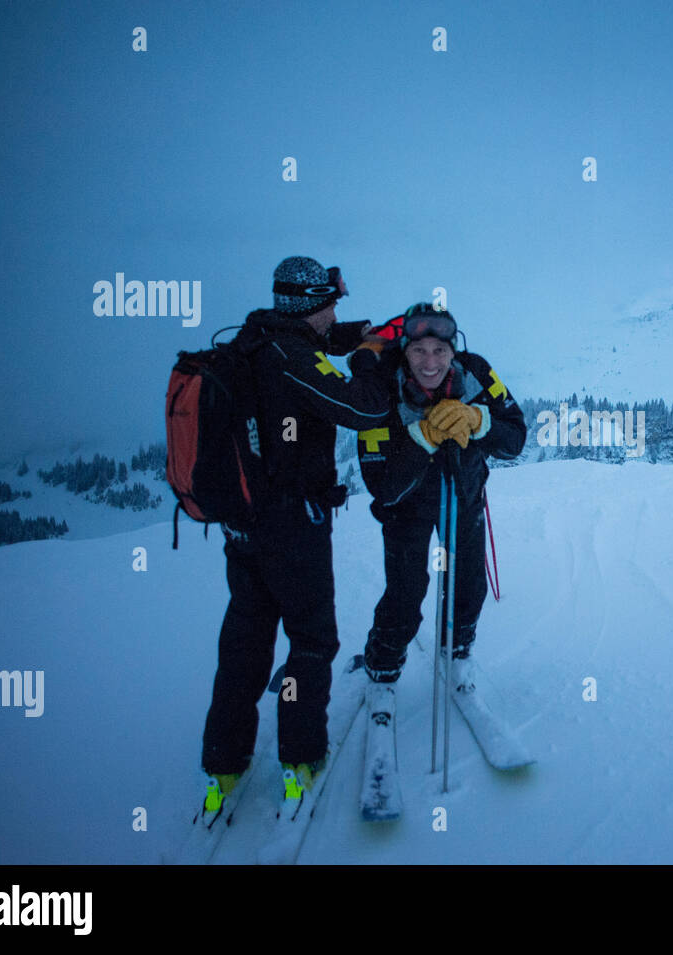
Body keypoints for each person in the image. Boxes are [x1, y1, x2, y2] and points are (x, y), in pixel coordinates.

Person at [200, 256, 389, 806]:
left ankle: (224, 762)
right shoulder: (294, 359)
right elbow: (363, 409)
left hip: (243, 526)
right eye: (333, 303)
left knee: (245, 641)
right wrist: (370, 360)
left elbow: (313, 348)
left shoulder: (255, 338)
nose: (337, 311)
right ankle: (301, 757)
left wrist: (359, 336)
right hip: (290, 526)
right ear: (312, 303)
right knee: (311, 640)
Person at [356, 303, 525, 685]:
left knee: (469, 587)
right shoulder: (381, 387)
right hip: (405, 510)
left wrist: (480, 421)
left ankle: (458, 651)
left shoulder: (477, 373)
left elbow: (515, 438)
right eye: (419, 350)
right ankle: (382, 667)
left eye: (439, 351)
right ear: (404, 350)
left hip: (464, 499)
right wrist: (423, 439)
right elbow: (381, 487)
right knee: (404, 595)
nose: (429, 362)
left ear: (453, 350)